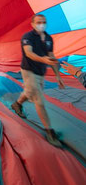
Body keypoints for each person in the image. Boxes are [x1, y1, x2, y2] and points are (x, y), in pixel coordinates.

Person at [11, 14, 65, 147]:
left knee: (30, 92)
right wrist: (44, 60)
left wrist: (58, 76)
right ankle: (49, 131)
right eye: (39, 22)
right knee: (39, 100)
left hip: (40, 72)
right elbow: (29, 53)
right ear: (33, 24)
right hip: (28, 70)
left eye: (44, 22)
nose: (42, 24)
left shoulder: (48, 38)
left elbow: (51, 57)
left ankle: (17, 104)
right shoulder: (27, 37)